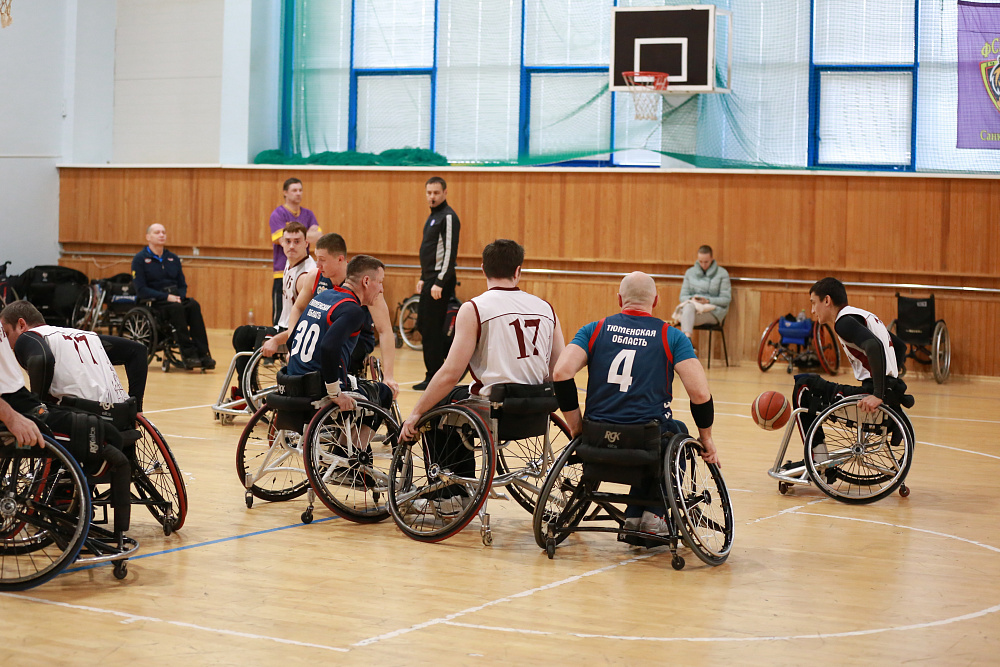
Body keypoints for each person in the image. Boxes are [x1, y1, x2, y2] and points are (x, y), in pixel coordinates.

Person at [399, 239, 564, 514]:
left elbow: (451, 373)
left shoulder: (475, 308)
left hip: (494, 411)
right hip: (536, 411)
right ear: (518, 270)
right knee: (457, 398)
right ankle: (459, 491)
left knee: (441, 401)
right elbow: (557, 370)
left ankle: (450, 495)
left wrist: (416, 413)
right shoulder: (546, 308)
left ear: (483, 269)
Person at [552, 272, 719, 537]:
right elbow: (700, 393)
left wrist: (576, 427)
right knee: (675, 431)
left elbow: (561, 373)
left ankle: (633, 516)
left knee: (662, 433)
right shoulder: (671, 336)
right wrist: (706, 438)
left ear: (619, 299)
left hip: (597, 438)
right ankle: (654, 515)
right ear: (656, 301)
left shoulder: (594, 329)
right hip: (644, 441)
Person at [1, 301, 144, 536]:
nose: (6, 343)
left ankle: (62, 502)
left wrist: (37, 405)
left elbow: (41, 360)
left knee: (45, 418)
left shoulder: (29, 338)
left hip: (85, 421)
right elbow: (137, 351)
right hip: (120, 418)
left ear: (22, 324)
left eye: (6, 334)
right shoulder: (84, 335)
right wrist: (137, 408)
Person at [787, 277, 911, 467]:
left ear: (827, 300)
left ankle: (817, 461)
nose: (812, 310)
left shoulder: (843, 322)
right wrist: (890, 388)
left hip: (874, 392)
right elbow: (900, 347)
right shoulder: (860, 315)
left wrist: (878, 394)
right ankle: (818, 459)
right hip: (888, 391)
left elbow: (874, 345)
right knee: (810, 384)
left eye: (813, 303)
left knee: (804, 386)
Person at [263, 232, 399, 398]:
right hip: (324, 337)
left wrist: (389, 376)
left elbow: (384, 330)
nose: (317, 264)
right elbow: (298, 308)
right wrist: (295, 345)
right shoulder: (315, 276)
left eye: (322, 259)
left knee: (332, 351)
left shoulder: (365, 284)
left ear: (340, 259)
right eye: (316, 258)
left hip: (354, 339)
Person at [284, 255, 393, 415]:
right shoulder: (353, 310)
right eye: (380, 282)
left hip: (292, 383)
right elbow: (328, 347)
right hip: (318, 389)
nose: (381, 289)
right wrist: (335, 392)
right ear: (366, 281)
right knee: (383, 393)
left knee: (355, 381)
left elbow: (290, 341)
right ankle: (356, 433)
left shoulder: (322, 296)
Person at [131, 223, 214, 369]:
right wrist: (166, 297)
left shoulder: (172, 258)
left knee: (193, 305)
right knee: (177, 308)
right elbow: (141, 289)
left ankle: (203, 353)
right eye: (157, 232)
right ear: (148, 237)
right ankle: (188, 354)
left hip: (175, 298)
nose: (161, 235)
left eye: (163, 232)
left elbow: (182, 284)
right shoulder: (140, 259)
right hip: (155, 301)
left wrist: (180, 296)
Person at [413, 176, 460, 391]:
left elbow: (449, 252)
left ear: (445, 193)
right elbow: (430, 251)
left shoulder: (448, 217)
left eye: (436, 193)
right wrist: (423, 277)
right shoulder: (433, 216)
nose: (432, 196)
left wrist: (440, 281)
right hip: (430, 278)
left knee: (431, 327)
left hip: (440, 281)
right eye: (429, 193)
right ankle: (444, 368)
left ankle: (434, 375)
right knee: (423, 325)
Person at [269, 178, 322, 326]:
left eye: (300, 190)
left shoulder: (308, 214)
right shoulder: (278, 214)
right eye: (294, 190)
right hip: (282, 271)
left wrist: (305, 235)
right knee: (281, 317)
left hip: (303, 269)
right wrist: (305, 234)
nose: (298, 193)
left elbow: (319, 236)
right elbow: (281, 240)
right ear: (285, 193)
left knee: (303, 314)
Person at [674, 245, 731, 345]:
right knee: (688, 306)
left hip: (714, 311)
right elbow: (682, 296)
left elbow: (726, 299)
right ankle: (688, 340)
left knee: (684, 317)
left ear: (711, 259)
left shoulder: (722, 273)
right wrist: (693, 299)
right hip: (693, 308)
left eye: (706, 262)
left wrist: (708, 300)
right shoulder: (690, 272)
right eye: (700, 261)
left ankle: (686, 345)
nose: (703, 264)